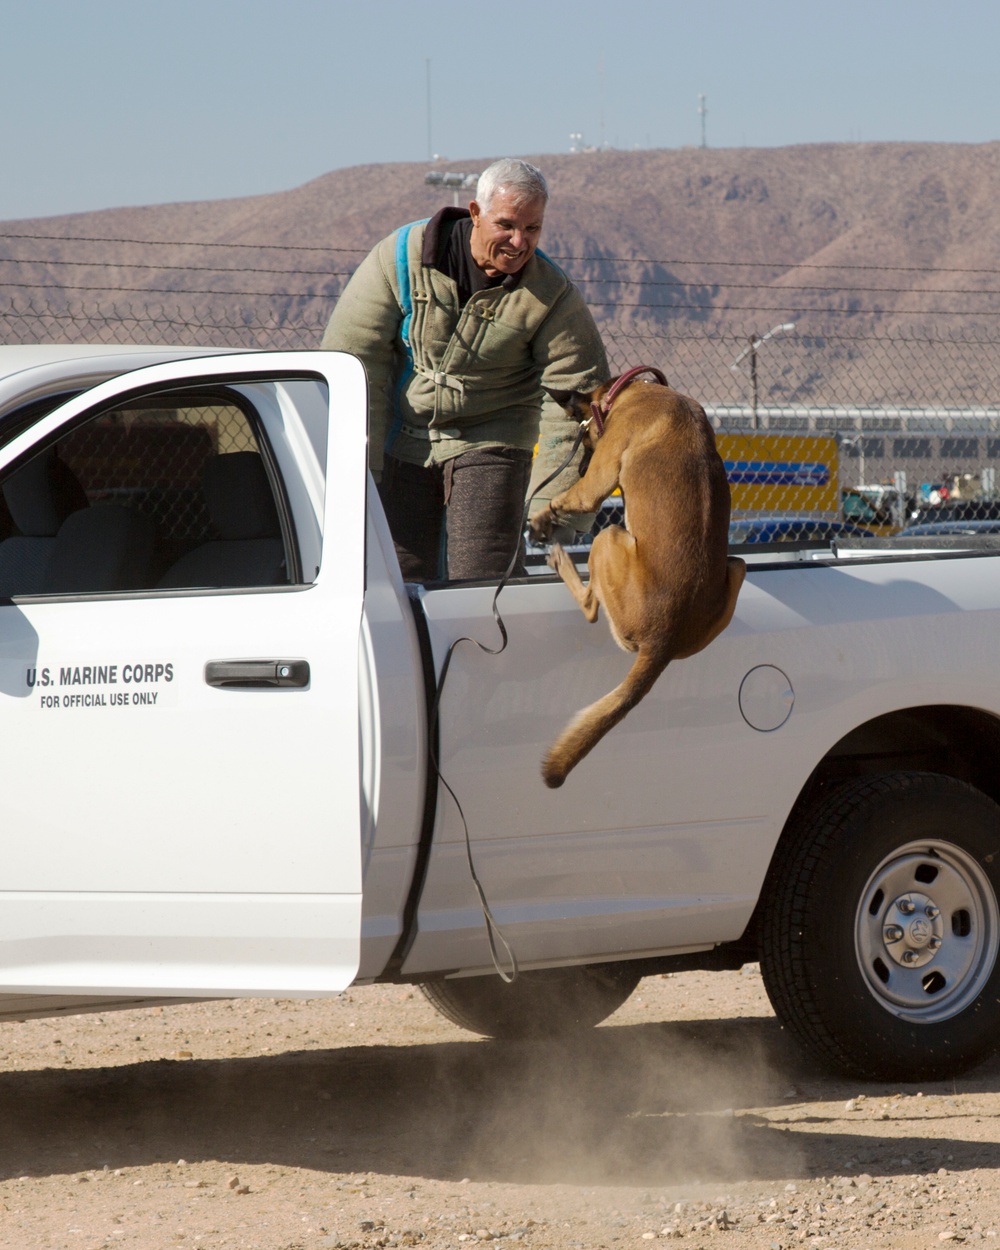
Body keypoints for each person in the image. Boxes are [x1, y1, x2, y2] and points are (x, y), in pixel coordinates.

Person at [321, 157, 609, 581]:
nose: (519, 241)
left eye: (532, 229)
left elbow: (579, 398)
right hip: (405, 438)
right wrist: (360, 467)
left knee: (481, 577)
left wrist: (555, 505)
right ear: (475, 213)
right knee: (398, 578)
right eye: (506, 225)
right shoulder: (400, 258)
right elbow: (354, 359)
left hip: (494, 438)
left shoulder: (551, 296)